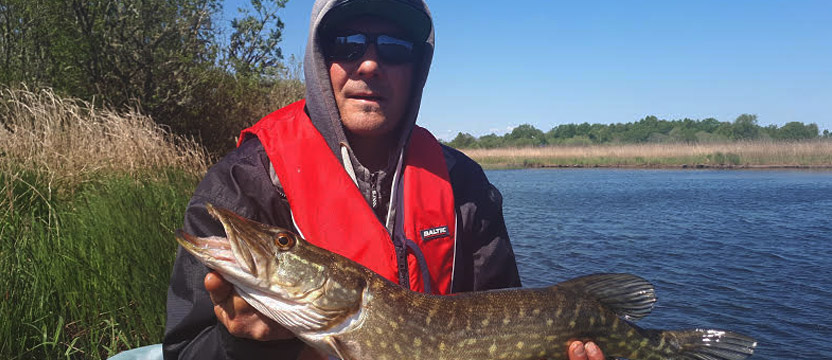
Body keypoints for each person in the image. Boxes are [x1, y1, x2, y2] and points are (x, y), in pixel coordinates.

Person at [163, 0, 605, 359]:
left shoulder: (464, 184)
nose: (371, 63)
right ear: (322, 60)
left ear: (417, 68)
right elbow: (185, 351)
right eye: (348, 44)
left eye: (394, 47)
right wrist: (239, 347)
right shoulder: (242, 184)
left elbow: (509, 320)